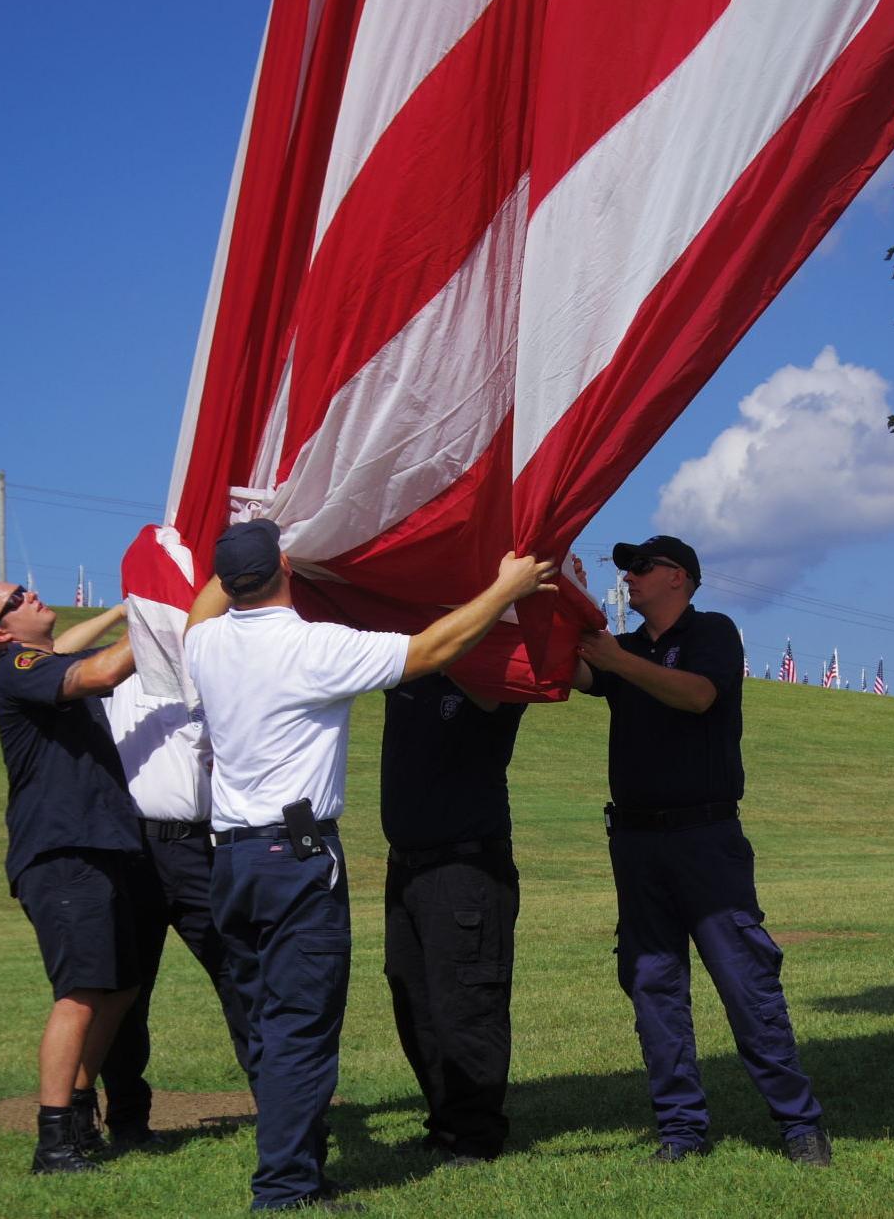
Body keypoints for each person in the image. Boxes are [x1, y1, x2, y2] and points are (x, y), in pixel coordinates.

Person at [183, 518, 557, 1212]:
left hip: (230, 860)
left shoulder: (204, 645)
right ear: (285, 568)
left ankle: (296, 1159)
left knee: (268, 1020)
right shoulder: (311, 647)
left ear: (230, 579)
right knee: (302, 1023)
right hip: (294, 857)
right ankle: (289, 1186)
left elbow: (204, 610)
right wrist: (506, 585)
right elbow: (432, 649)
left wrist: (242, 553)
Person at [572, 536, 831, 1166]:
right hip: (635, 841)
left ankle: (799, 1125)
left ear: (678, 578)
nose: (628, 576)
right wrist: (565, 597)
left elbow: (698, 696)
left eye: (641, 567)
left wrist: (616, 659)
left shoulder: (713, 632)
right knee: (653, 985)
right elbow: (573, 672)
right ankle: (681, 1131)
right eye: (623, 568)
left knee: (746, 982)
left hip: (704, 839)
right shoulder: (627, 648)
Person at [54, 598, 256, 1147]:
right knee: (125, 988)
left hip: (204, 848)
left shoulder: (213, 667)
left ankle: (276, 1103)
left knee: (240, 977)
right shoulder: (116, 671)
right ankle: (127, 1121)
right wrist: (124, 614)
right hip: (133, 848)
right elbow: (52, 655)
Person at [0, 580, 141, 1174]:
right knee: (81, 993)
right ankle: (53, 1142)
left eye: (24, 589)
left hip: (102, 847)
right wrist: (159, 623)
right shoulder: (19, 668)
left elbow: (70, 650)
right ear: (2, 634)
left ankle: (81, 1117)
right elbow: (99, 674)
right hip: (63, 853)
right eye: (14, 601)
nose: (29, 596)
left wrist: (118, 609)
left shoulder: (39, 661)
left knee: (119, 988)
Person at [381, 672, 524, 1164]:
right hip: (405, 865)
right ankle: (445, 1122)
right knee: (413, 998)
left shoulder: (495, 667)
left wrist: (453, 632)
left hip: (466, 866)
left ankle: (477, 1135)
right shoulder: (411, 665)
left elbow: (491, 691)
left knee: (466, 1003)